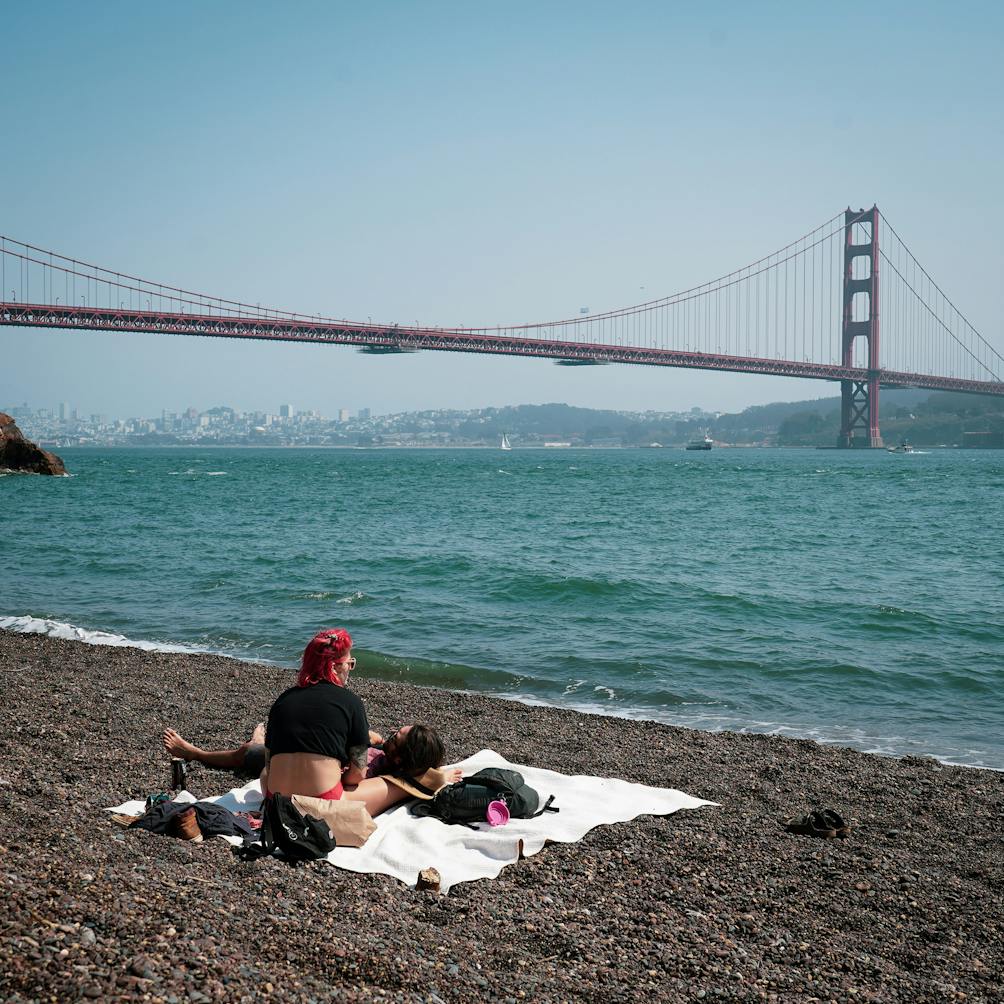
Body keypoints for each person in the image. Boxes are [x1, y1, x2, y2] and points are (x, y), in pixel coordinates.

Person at [163, 627, 460, 816]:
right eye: (349, 663)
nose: (351, 670)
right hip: (320, 803)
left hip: (273, 796)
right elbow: (355, 777)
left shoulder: (284, 699)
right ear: (335, 666)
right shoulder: (351, 703)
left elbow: (270, 761)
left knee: (262, 758)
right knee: (397, 784)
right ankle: (435, 778)